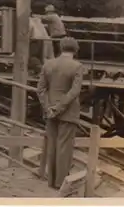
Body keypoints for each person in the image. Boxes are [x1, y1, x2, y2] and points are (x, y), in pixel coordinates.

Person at [36, 37, 84, 189]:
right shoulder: (77, 66)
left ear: (60, 48)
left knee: (52, 145)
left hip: (50, 112)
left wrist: (48, 108)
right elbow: (74, 91)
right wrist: (59, 108)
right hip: (68, 113)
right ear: (75, 50)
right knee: (64, 147)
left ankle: (51, 181)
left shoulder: (48, 64)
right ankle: (61, 183)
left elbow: (40, 90)